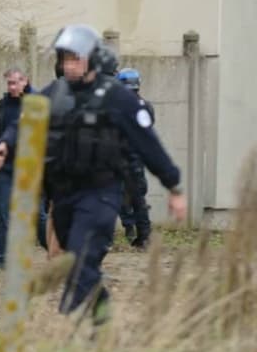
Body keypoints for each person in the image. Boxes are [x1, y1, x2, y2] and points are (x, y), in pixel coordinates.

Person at [41, 24, 186, 323]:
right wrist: (2, 147)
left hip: (101, 193)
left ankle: (73, 319)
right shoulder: (55, 93)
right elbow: (23, 125)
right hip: (65, 195)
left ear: (92, 59)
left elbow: (149, 144)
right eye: (64, 59)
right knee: (74, 260)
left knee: (82, 255)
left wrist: (173, 186)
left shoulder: (117, 97)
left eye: (75, 59)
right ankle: (101, 316)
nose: (68, 66)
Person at [0, 68, 48, 268]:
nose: (12, 87)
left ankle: (55, 249)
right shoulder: (1, 108)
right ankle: (4, 258)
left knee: (37, 216)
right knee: (2, 212)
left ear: (26, 81)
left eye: (15, 83)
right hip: (6, 169)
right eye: (9, 83)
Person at [116, 67, 154, 248]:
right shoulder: (146, 106)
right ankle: (144, 236)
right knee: (139, 198)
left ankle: (128, 229)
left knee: (114, 196)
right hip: (138, 158)